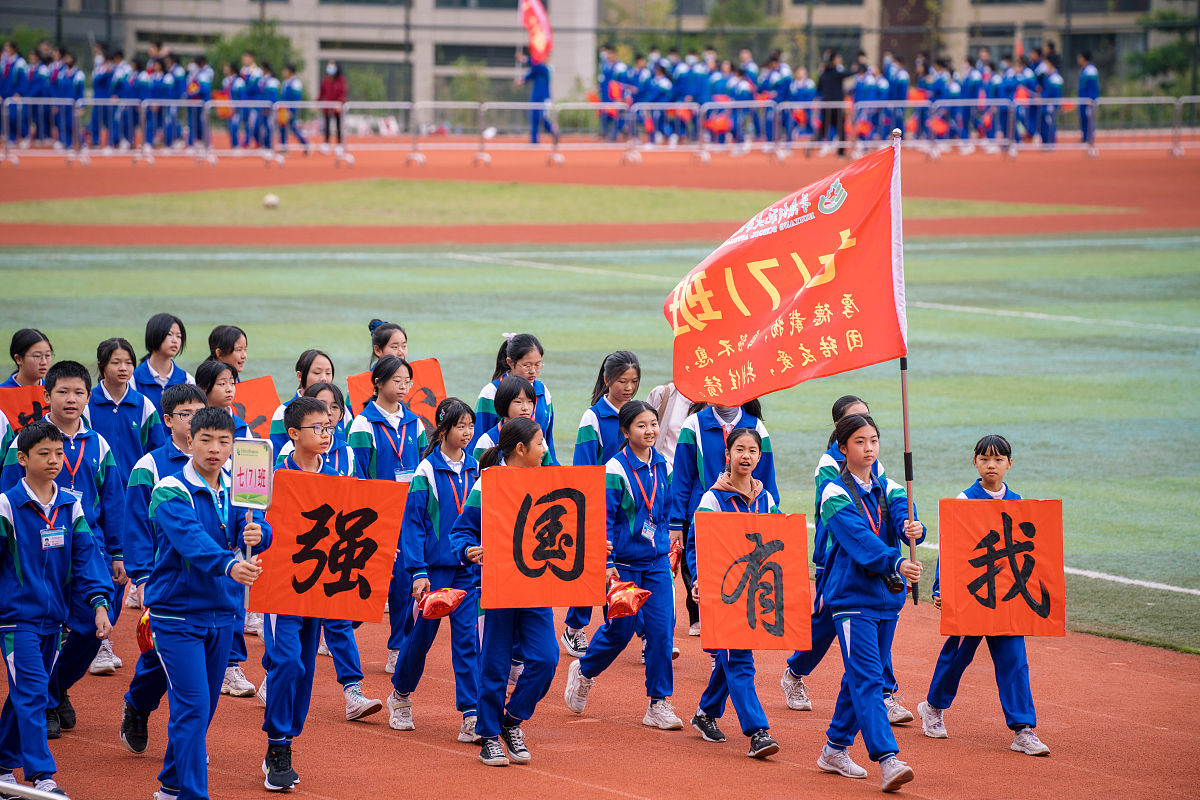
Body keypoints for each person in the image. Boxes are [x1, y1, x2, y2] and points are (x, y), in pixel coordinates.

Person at [146, 407, 269, 800]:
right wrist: (231, 565)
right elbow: (191, 541)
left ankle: (169, 784)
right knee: (194, 706)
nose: (215, 449)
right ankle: (193, 795)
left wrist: (259, 531)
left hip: (222, 614)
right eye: (206, 440)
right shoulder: (169, 489)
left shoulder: (238, 488)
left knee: (203, 709)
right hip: (176, 615)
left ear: (233, 445)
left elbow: (255, 530)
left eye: (224, 441)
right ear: (188, 441)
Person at [1, 361, 126, 737]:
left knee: (92, 627)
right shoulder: (24, 443)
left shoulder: (98, 444)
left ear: (89, 398)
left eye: (79, 393)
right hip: (39, 559)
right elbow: (8, 497)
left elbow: (113, 501)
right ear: (46, 395)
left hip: (89, 550)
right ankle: (44, 706)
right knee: (47, 629)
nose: (71, 399)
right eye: (63, 392)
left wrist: (117, 554)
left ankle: (55, 690)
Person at [917, 434, 1050, 757]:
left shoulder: (1019, 503)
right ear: (975, 462)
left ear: (1010, 464)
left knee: (1014, 660)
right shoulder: (964, 500)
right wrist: (941, 589)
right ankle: (933, 707)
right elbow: (950, 547)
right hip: (972, 595)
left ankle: (1023, 729)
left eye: (999, 460)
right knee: (958, 655)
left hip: (1006, 597)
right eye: (985, 459)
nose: (992, 465)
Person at [0, 420, 113, 796]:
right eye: (44, 453)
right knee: (33, 691)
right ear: (22, 458)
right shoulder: (6, 506)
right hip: (16, 621)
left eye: (59, 453)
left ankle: (2, 765)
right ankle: (40, 777)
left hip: (55, 620)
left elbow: (86, 558)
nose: (54, 460)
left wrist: (99, 603)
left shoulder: (71, 503)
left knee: (25, 692)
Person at [783, 396, 911, 724]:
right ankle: (795, 671)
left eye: (868, 421)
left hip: (873, 563)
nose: (866, 430)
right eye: (856, 422)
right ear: (840, 431)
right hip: (836, 558)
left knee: (869, 626)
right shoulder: (829, 466)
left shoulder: (874, 464)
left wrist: (910, 524)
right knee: (825, 625)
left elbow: (889, 501)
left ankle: (884, 692)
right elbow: (845, 517)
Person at [814, 413, 924, 793]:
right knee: (867, 678)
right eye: (860, 441)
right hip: (850, 598)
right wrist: (895, 560)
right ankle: (887, 758)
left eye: (874, 440)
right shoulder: (833, 491)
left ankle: (834, 748)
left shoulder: (890, 486)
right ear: (843, 449)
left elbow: (901, 515)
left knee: (859, 676)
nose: (869, 447)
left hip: (886, 599)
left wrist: (915, 527)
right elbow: (858, 538)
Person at [563, 401, 681, 730]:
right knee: (621, 632)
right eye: (641, 426)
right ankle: (585, 671)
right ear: (626, 431)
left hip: (656, 563)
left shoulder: (665, 467)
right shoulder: (615, 470)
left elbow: (668, 512)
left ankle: (658, 703)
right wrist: (607, 563)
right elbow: (602, 520)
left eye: (654, 424)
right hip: (623, 566)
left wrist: (670, 545)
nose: (650, 431)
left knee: (660, 633)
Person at [448, 417, 558, 767]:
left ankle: (512, 721)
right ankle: (489, 736)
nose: (546, 449)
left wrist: (588, 545)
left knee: (546, 659)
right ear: (521, 449)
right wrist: (467, 551)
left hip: (536, 585)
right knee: (494, 665)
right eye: (541, 443)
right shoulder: (487, 485)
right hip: (496, 587)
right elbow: (461, 532)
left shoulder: (548, 481)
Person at [259, 396, 347, 790]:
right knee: (287, 663)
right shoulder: (274, 475)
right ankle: (277, 746)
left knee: (307, 669)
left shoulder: (338, 471)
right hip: (281, 586)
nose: (326, 434)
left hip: (319, 586)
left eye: (329, 427)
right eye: (317, 428)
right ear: (293, 434)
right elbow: (253, 524)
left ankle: (286, 740)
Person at [119, 384, 208, 756]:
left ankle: (186, 743)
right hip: (165, 582)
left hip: (209, 582)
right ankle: (138, 706)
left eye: (198, 413)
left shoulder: (221, 461)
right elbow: (137, 526)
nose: (192, 421)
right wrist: (140, 578)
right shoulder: (150, 466)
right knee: (159, 654)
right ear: (168, 420)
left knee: (201, 663)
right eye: (185, 414)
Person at [388, 398, 481, 742]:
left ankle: (471, 713)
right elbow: (413, 525)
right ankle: (400, 695)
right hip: (435, 571)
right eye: (460, 426)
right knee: (421, 638)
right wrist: (417, 571)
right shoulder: (425, 472)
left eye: (470, 425)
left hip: (465, 571)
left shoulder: (476, 469)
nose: (467, 432)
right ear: (443, 429)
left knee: (468, 640)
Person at [684, 427, 781, 758]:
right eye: (740, 449)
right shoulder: (712, 498)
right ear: (727, 455)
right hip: (723, 592)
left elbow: (776, 541)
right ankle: (758, 732)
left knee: (731, 658)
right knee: (740, 659)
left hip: (754, 594)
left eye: (753, 451)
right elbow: (698, 545)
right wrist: (698, 580)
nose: (746, 456)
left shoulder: (765, 498)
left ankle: (705, 713)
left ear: (759, 456)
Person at [669, 400, 777, 638]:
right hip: (707, 512)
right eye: (740, 450)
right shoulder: (695, 423)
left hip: (748, 517)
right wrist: (675, 521)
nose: (746, 455)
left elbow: (767, 476)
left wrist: (773, 516)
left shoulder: (755, 426)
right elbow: (682, 476)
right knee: (705, 565)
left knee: (741, 573)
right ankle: (702, 617)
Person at [347, 355, 427, 673]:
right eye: (397, 380)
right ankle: (334, 624)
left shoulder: (415, 423)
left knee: (405, 583)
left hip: (407, 515)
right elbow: (358, 474)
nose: (404, 386)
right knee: (366, 581)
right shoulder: (363, 424)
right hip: (375, 515)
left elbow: (421, 468)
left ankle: (397, 646)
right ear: (378, 383)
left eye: (407, 381)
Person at [562, 351, 641, 655]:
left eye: (634, 381)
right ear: (607, 380)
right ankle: (575, 628)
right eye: (623, 381)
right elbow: (584, 468)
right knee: (593, 567)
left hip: (631, 506)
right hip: (600, 504)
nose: (629, 387)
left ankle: (646, 634)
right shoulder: (593, 417)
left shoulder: (637, 413)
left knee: (634, 567)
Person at [88, 337, 164, 479]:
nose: (123, 368)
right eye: (116, 363)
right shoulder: (87, 404)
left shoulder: (144, 405)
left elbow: (157, 451)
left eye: (128, 363)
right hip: (98, 491)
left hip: (136, 489)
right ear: (101, 366)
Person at [472, 333, 555, 463]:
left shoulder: (543, 391)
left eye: (538, 365)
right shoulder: (491, 392)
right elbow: (477, 438)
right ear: (510, 362)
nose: (533, 371)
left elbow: (548, 439)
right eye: (527, 365)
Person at [472, 376, 552, 466]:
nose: (526, 408)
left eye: (530, 402)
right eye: (518, 402)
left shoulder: (539, 440)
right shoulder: (487, 441)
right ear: (503, 403)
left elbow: (548, 473)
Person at [132, 313, 195, 426]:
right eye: (169, 334)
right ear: (154, 335)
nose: (175, 340)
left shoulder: (187, 380)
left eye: (179, 336)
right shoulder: (133, 379)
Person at [269, 349, 335, 453]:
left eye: (328, 373)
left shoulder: (340, 409)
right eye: (317, 373)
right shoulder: (283, 411)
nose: (324, 378)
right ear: (300, 376)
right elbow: (277, 455)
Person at [195, 360, 248, 440]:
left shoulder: (241, 427)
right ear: (204, 387)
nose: (229, 389)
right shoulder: (191, 422)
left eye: (232, 383)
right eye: (222, 384)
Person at [517, 48, 556, 145]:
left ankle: (553, 131)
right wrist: (522, 80)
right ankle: (534, 139)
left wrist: (524, 59)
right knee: (533, 116)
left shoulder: (548, 68)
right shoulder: (537, 68)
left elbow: (536, 66)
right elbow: (531, 74)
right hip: (535, 96)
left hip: (544, 97)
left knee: (541, 117)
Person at [817, 51, 848, 156]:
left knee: (824, 128)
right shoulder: (836, 72)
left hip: (826, 104)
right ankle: (840, 151)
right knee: (840, 128)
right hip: (836, 105)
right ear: (834, 60)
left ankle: (813, 144)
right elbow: (848, 74)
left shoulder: (823, 73)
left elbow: (819, 88)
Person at [317, 60, 345, 155]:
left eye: (332, 65)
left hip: (337, 107)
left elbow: (343, 93)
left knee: (338, 125)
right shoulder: (325, 80)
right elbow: (322, 93)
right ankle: (326, 144)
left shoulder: (340, 79)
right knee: (327, 125)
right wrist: (317, 102)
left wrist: (340, 103)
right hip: (327, 107)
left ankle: (339, 145)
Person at [279, 64, 309, 155]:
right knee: (282, 128)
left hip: (291, 110)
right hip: (283, 109)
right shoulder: (285, 83)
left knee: (294, 128)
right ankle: (284, 148)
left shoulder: (296, 83)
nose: (283, 73)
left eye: (285, 70)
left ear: (290, 72)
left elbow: (296, 98)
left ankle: (306, 144)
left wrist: (292, 111)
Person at [1077, 52, 1099, 145]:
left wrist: (1091, 99)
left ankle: (1089, 139)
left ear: (1084, 58)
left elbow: (1093, 87)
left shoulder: (1091, 70)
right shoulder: (1083, 70)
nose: (1078, 60)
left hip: (1088, 100)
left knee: (1089, 119)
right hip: (1083, 99)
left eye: (1079, 57)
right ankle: (1085, 138)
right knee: (1083, 119)